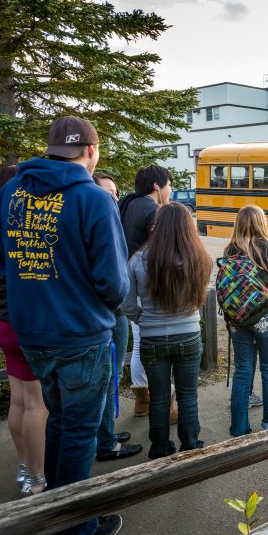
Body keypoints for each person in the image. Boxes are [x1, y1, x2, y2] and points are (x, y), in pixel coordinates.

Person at [0, 116, 127, 535]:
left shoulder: (11, 192)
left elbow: (1, 261)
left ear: (50, 148)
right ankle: (75, 526)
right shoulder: (93, 198)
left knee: (59, 421)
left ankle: (59, 513)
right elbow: (115, 283)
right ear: (91, 151)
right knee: (80, 433)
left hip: (32, 333)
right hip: (81, 335)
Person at [0, 165, 48, 496]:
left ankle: (23, 465)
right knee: (36, 405)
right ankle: (37, 477)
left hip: (1, 322)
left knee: (18, 399)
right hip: (21, 322)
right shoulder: (14, 227)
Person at [122, 202, 210, 459]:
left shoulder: (139, 259)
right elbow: (200, 298)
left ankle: (159, 448)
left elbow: (126, 302)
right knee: (188, 395)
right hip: (189, 334)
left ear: (157, 226)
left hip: (152, 338)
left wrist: (143, 319)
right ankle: (191, 444)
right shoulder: (198, 257)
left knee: (159, 398)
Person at [223, 205, 268, 435]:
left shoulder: (230, 249)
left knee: (242, 370)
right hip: (264, 316)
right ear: (262, 222)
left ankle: (238, 428)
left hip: (238, 319)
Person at [92, 172, 142, 461]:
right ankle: (106, 443)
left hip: (116, 312)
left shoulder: (112, 222)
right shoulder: (99, 224)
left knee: (111, 374)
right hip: (110, 312)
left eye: (115, 192)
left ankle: (106, 432)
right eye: (108, 192)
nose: (114, 197)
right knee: (104, 376)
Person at [118, 164, 174, 420]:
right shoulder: (153, 211)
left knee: (140, 341)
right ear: (157, 186)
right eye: (169, 185)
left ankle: (142, 400)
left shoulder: (126, 204)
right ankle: (164, 403)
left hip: (127, 281)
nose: (170, 190)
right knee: (156, 342)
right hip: (146, 284)